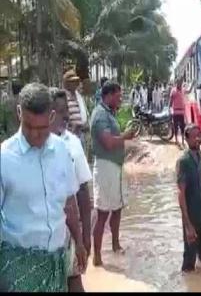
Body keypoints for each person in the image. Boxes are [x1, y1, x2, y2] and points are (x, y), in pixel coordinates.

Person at [0, 83, 86, 292]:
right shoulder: (4, 158)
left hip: (56, 262)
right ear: (19, 113)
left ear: (52, 117)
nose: (36, 136)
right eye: (29, 127)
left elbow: (69, 203)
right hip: (17, 267)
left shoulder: (61, 150)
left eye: (42, 128)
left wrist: (79, 242)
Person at [49, 88, 92, 292]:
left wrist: (85, 237)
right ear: (47, 113)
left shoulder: (72, 143)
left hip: (69, 234)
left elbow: (83, 193)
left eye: (66, 108)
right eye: (59, 110)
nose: (65, 115)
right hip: (41, 243)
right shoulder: (26, 150)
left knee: (75, 283)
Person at [90, 80, 136, 267]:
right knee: (102, 213)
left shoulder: (109, 112)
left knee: (117, 208)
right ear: (108, 95)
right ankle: (97, 256)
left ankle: (115, 245)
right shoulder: (100, 114)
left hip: (115, 166)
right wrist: (125, 136)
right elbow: (108, 143)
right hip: (105, 167)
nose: (120, 100)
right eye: (118, 96)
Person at [176, 124, 201, 272]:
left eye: (199, 135)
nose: (198, 139)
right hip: (191, 215)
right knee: (189, 260)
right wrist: (188, 226)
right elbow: (181, 194)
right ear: (186, 139)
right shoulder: (183, 162)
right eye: (194, 136)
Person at [63, 70, 90, 149]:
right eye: (72, 81)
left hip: (81, 133)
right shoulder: (64, 97)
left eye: (76, 81)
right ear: (67, 83)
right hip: (70, 134)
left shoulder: (78, 96)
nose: (75, 84)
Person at [169, 79, 186, 147]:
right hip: (175, 112)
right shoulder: (173, 91)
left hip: (181, 112)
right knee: (175, 127)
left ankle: (182, 141)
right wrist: (170, 110)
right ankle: (176, 140)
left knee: (182, 127)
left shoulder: (183, 90)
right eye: (178, 83)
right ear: (176, 83)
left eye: (180, 83)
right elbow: (170, 101)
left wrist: (193, 84)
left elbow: (189, 91)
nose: (179, 84)